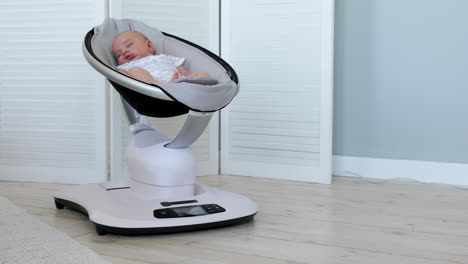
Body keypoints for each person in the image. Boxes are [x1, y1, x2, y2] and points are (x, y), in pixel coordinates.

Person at [112, 30, 210, 84]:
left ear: (149, 46)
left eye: (129, 45)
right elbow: (121, 77)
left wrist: (188, 76)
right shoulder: (128, 66)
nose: (124, 52)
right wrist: (122, 73)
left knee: (202, 73)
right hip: (154, 88)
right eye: (119, 54)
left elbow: (183, 72)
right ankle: (158, 86)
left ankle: (200, 89)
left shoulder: (164, 57)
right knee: (135, 71)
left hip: (178, 83)